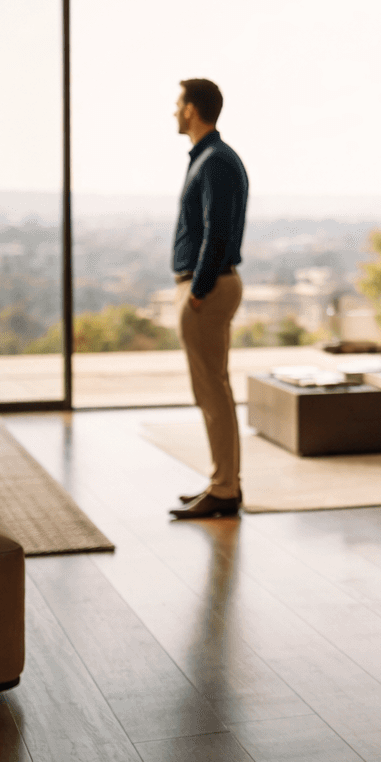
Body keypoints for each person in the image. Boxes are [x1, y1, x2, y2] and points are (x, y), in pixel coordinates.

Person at [168, 78, 250, 520]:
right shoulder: (210, 157)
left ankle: (224, 489)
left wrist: (197, 294)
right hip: (210, 285)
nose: (173, 112)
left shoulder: (214, 160)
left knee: (213, 392)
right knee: (212, 390)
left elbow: (216, 234)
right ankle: (224, 483)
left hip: (209, 288)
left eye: (178, 104)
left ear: (192, 109)